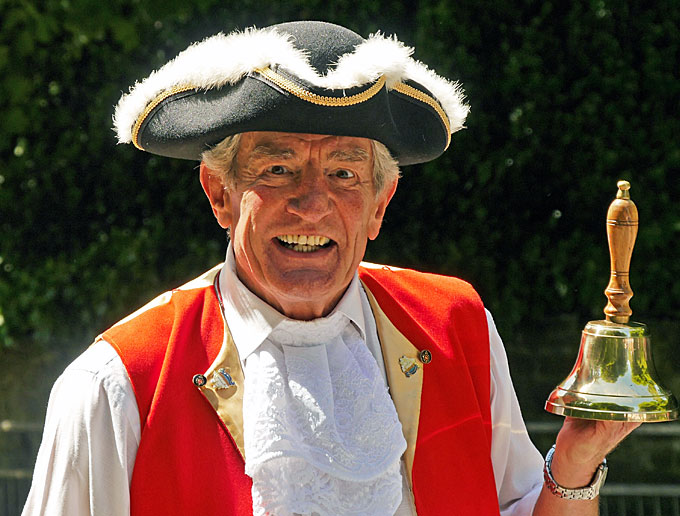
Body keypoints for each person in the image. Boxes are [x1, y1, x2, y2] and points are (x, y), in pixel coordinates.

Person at [22, 20, 639, 516]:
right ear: (220, 193)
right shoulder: (118, 382)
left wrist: (577, 459)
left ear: (379, 204)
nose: (312, 202)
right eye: (278, 168)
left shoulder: (457, 327)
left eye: (344, 174)